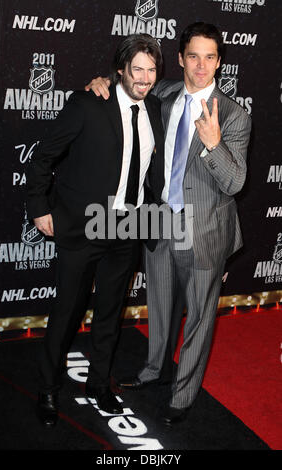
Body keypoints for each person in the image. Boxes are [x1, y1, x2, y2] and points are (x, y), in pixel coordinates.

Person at [86, 22, 252, 425]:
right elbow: (130, 84)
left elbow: (234, 182)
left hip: (206, 232)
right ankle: (153, 371)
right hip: (160, 221)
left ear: (219, 62)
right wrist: (102, 83)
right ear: (179, 59)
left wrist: (213, 144)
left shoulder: (233, 116)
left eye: (210, 57)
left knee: (198, 317)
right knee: (159, 306)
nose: (201, 65)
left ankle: (183, 396)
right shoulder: (163, 94)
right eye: (193, 56)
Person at [26, 33, 165, 427]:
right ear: (120, 69)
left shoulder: (155, 107)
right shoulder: (89, 103)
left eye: (151, 70)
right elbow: (44, 157)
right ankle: (48, 388)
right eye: (136, 68)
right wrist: (39, 207)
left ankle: (99, 385)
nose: (143, 77)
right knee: (66, 311)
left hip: (128, 226)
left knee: (110, 313)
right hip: (84, 224)